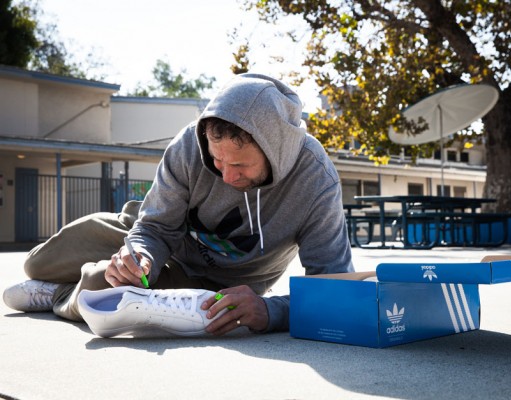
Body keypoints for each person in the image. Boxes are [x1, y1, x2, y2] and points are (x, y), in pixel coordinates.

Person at [3, 73, 354, 334]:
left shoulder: (316, 181)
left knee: (99, 288)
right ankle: (55, 280)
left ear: (277, 150)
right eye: (218, 162)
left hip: (218, 280)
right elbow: (155, 227)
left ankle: (56, 296)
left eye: (241, 166)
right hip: (156, 234)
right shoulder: (189, 143)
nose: (228, 177)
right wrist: (140, 256)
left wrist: (270, 310)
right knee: (38, 263)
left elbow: (336, 287)